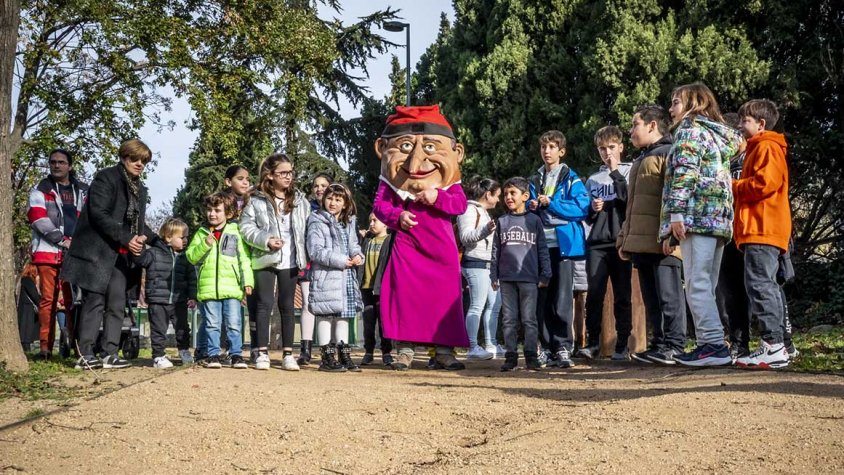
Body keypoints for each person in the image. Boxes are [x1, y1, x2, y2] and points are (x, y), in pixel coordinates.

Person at [372, 104, 470, 371]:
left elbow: (460, 205)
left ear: (456, 152)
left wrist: (438, 196)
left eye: (428, 147)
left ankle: (443, 351)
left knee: (444, 298)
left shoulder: (450, 183)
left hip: (442, 248)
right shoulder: (390, 180)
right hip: (408, 245)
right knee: (405, 296)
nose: (416, 160)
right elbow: (380, 206)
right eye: (405, 147)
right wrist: (397, 217)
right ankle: (404, 350)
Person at [662, 83, 742, 367]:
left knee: (696, 284)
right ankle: (714, 344)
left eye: (675, 102)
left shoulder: (689, 131)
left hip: (696, 218)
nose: (670, 109)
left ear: (693, 103)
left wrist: (676, 215)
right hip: (717, 221)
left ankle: (712, 344)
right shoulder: (713, 135)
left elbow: (684, 173)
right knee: (706, 283)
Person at [62, 139, 156, 370]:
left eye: (143, 161)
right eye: (135, 159)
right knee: (93, 301)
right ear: (124, 158)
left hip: (120, 257)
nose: (139, 164)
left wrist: (160, 240)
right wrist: (127, 238)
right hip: (97, 251)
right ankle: (85, 354)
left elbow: (137, 223)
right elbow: (99, 213)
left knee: (117, 302)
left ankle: (109, 353)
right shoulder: (106, 177)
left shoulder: (139, 189)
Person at [619, 105, 687, 365]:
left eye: (635, 124)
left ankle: (675, 345)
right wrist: (624, 238)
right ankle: (659, 344)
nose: (631, 131)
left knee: (670, 297)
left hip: (664, 242)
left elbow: (675, 198)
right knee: (652, 299)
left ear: (652, 125)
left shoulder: (669, 153)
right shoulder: (640, 159)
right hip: (641, 242)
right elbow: (634, 204)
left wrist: (672, 235)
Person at [732, 99, 792, 369]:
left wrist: (732, 185)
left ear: (761, 124)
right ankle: (778, 345)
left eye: (745, 121)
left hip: (762, 226)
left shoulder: (766, 146)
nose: (740, 126)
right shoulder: (761, 147)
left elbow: (765, 183)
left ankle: (773, 344)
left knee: (759, 284)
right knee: (766, 283)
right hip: (761, 226)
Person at [240, 154, 310, 370]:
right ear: (270, 176)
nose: (288, 177)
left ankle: (288, 354)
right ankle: (262, 352)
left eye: (291, 172)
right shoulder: (256, 200)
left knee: (287, 306)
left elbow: (309, 226)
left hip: (291, 259)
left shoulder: (300, 200)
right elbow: (246, 227)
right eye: (283, 173)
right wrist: (266, 240)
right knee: (264, 304)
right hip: (265, 258)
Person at [528, 130, 590, 368]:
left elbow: (581, 208)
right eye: (544, 147)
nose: (547, 151)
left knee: (562, 298)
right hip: (540, 246)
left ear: (561, 152)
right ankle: (544, 347)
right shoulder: (535, 178)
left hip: (564, 245)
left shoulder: (571, 178)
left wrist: (550, 202)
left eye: (552, 147)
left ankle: (563, 347)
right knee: (542, 298)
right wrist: (532, 204)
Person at [27, 148, 88, 360]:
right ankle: (45, 348)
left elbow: (90, 219)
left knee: (74, 301)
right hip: (48, 252)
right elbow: (38, 219)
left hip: (76, 254)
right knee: (47, 300)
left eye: (61, 162)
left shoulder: (83, 192)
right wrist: (63, 241)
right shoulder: (39, 191)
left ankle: (74, 344)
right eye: (53, 162)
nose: (56, 165)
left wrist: (79, 243)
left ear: (69, 166)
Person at [580, 126, 633, 361]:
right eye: (602, 149)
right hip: (597, 243)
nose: (607, 152)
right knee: (595, 294)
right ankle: (593, 343)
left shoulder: (630, 172)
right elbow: (586, 215)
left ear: (621, 147)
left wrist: (615, 172)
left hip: (621, 241)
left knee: (623, 295)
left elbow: (627, 201)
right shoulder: (592, 179)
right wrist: (592, 209)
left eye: (611, 147)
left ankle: (622, 344)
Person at [186, 192, 253, 369]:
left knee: (233, 323)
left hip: (232, 288)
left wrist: (248, 281)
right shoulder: (201, 233)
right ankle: (213, 354)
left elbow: (244, 259)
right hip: (208, 289)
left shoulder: (235, 232)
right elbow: (191, 256)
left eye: (217, 210)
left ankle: (236, 354)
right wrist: (205, 244)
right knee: (212, 324)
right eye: (209, 210)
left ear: (228, 213)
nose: (212, 214)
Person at [491, 177, 552, 371]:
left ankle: (531, 356)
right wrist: (494, 275)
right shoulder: (502, 221)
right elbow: (495, 251)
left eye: (513, 193)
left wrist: (545, 274)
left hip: (529, 278)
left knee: (529, 319)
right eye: (506, 194)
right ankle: (510, 357)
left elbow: (542, 248)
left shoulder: (534, 221)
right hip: (507, 278)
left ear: (525, 196)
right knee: (509, 319)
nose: (508, 197)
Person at [306, 183, 364, 372]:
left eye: (338, 200)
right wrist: (341, 260)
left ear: (345, 204)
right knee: (325, 315)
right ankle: (327, 356)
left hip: (345, 276)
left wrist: (358, 255)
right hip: (326, 276)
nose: (333, 203)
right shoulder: (316, 221)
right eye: (330, 198)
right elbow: (315, 251)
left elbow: (353, 244)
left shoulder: (349, 222)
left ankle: (344, 354)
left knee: (343, 317)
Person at [135, 218, 197, 368]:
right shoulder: (154, 253)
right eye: (182, 237)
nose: (185, 240)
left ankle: (184, 351)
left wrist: (193, 296)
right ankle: (158, 356)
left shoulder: (186, 257)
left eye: (186, 237)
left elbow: (192, 279)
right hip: (158, 300)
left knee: (183, 328)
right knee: (158, 329)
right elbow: (140, 260)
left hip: (179, 301)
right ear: (168, 238)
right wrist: (139, 245)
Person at [716, 113, 751, 360]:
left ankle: (781, 341)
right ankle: (739, 343)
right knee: (731, 291)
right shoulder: (719, 160)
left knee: (762, 287)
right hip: (727, 231)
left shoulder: (753, 156)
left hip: (751, 230)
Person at [457, 176, 501, 360]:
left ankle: (491, 344)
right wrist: (485, 231)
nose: (499, 199)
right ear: (487, 194)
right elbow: (466, 237)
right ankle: (473, 347)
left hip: (488, 266)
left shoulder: (482, 212)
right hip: (475, 264)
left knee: (494, 305)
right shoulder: (468, 210)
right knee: (477, 306)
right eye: (496, 195)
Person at [297, 171, 332, 366]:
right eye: (316, 186)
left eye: (323, 185)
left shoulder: (337, 208)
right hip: (309, 262)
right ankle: (306, 350)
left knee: (328, 306)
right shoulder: (306, 209)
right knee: (307, 304)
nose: (319, 189)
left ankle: (329, 348)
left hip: (329, 263)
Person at [358, 213, 394, 366]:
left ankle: (386, 352)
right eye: (370, 221)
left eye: (375, 220)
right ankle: (368, 352)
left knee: (383, 323)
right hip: (366, 287)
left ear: (385, 223)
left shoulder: (390, 240)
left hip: (382, 289)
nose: (371, 224)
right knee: (368, 321)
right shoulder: (366, 240)